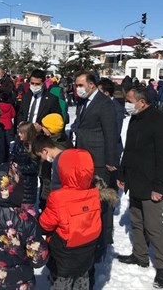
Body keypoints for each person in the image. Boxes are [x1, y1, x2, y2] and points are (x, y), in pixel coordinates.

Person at [117, 86, 163, 289]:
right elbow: (129, 149)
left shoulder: (161, 121)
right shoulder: (135, 118)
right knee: (136, 220)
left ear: (141, 102)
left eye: (130, 100)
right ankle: (140, 255)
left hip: (151, 183)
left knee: (154, 226)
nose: (127, 104)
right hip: (134, 179)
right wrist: (122, 174)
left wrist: (159, 187)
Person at [39, 148, 101, 289]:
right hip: (87, 250)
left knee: (62, 282)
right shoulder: (94, 192)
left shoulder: (59, 197)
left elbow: (45, 225)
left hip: (64, 254)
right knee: (82, 279)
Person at [71, 71, 118, 255]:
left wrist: (111, 160)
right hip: (83, 157)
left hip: (99, 160)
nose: (77, 88)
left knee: (101, 201)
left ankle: (102, 242)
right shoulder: (83, 102)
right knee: (88, 201)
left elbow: (110, 133)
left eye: (80, 85)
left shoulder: (105, 104)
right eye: (76, 85)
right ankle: (89, 236)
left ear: (91, 85)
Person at [11, 121, 39, 216]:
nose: (19, 135)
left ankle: (30, 226)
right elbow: (13, 155)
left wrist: (19, 168)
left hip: (28, 185)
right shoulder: (18, 144)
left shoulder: (34, 147)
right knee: (16, 208)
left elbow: (34, 167)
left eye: (21, 133)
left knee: (27, 209)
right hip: (17, 182)